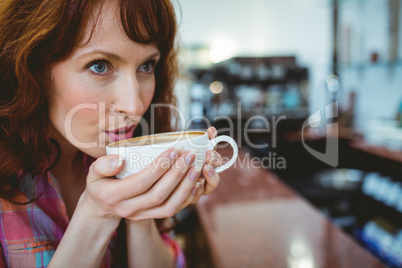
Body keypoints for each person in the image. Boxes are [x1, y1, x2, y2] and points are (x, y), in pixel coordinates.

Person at [0, 0, 223, 267]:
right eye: (99, 66)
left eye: (146, 66)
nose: (135, 105)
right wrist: (97, 215)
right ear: (31, 68)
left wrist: (141, 208)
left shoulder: (124, 156)